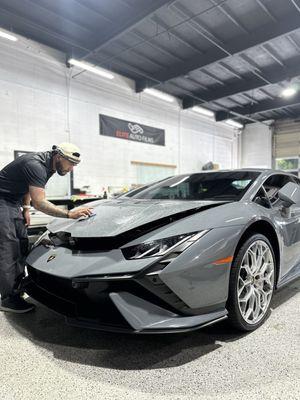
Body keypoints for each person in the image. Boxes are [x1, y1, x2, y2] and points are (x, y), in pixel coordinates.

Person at [0, 143, 93, 313]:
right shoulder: (36, 165)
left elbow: (29, 188)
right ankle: (8, 299)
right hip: (2, 200)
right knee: (9, 248)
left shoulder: (49, 165)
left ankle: (17, 288)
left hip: (13, 202)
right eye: (70, 163)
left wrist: (26, 209)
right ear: (58, 156)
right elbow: (40, 202)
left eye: (75, 165)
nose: (71, 168)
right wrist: (68, 214)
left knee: (21, 243)